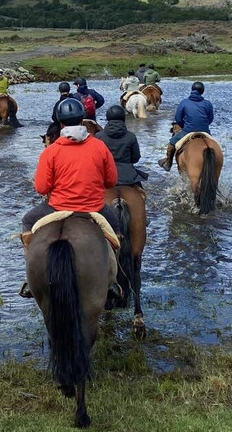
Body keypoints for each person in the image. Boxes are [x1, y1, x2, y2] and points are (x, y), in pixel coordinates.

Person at [21, 98, 122, 297]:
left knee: (27, 221)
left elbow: (42, 187)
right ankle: (111, 280)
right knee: (116, 229)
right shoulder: (99, 147)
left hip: (57, 208)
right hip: (93, 208)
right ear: (83, 120)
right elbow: (111, 181)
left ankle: (30, 278)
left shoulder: (51, 151)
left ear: (60, 124)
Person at [159, 81, 214, 170]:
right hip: (205, 131)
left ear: (192, 90)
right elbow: (210, 119)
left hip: (188, 130)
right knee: (216, 146)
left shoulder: (184, 103)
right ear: (202, 91)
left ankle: (168, 164)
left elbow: (178, 118)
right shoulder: (208, 103)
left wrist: (184, 126)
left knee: (172, 143)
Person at [99, 105, 148, 186]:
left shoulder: (99, 136)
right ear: (123, 118)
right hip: (128, 176)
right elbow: (135, 158)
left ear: (107, 118)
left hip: (105, 175)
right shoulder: (131, 136)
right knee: (141, 193)